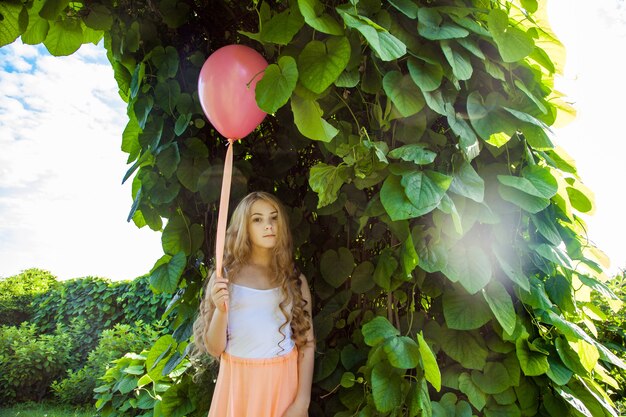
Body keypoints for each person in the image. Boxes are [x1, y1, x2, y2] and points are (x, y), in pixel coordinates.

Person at [193, 191, 315, 417]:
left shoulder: (294, 280)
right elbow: (214, 348)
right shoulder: (226, 277)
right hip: (239, 388)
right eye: (257, 219)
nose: (268, 225)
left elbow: (306, 344)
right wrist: (220, 310)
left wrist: (301, 404)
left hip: (282, 389)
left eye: (274, 217)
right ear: (244, 227)